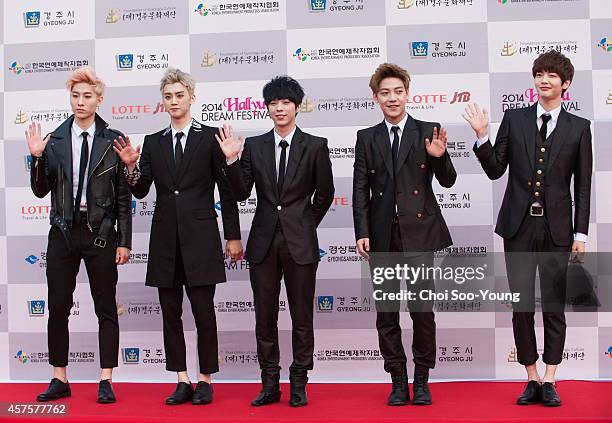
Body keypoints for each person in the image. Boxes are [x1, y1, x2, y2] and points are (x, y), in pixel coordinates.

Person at [463, 50, 592, 407]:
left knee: (553, 305)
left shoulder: (579, 127)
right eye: (539, 74)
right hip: (518, 227)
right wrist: (481, 137)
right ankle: (531, 377)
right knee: (521, 306)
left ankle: (551, 379)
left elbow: (582, 185)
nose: (544, 80)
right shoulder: (515, 119)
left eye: (552, 75)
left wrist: (580, 234)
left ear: (565, 84)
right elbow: (494, 169)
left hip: (557, 230)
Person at [113, 68, 242, 405]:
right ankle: (181, 379)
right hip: (165, 241)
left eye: (179, 95)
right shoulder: (154, 142)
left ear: (191, 97)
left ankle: (205, 379)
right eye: (168, 96)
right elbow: (141, 191)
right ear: (163, 102)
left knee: (204, 313)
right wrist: (130, 167)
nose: (173, 101)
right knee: (170, 314)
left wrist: (233, 236)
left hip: (201, 238)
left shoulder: (211, 137)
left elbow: (228, 193)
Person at [216, 76, 334, 407]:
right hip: (263, 243)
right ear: (267, 108)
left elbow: (325, 194)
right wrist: (231, 160)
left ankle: (299, 382)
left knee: (301, 317)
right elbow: (240, 192)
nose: (279, 108)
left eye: (285, 102)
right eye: (273, 103)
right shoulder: (254, 146)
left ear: (297, 106)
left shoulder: (315, 145)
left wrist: (305, 224)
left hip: (300, 243)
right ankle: (269, 383)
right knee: (264, 316)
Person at [352, 63, 456, 406]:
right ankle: (398, 380)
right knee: (386, 314)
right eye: (385, 93)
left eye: (398, 91)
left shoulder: (429, 130)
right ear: (375, 98)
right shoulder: (367, 137)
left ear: (408, 93)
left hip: (420, 235)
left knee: (422, 312)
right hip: (382, 237)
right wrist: (362, 231)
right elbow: (360, 189)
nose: (392, 98)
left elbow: (449, 180)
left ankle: (422, 380)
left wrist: (439, 159)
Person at [28, 67, 132, 404]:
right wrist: (37, 157)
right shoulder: (55, 140)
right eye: (75, 96)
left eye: (87, 96)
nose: (80, 102)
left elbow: (122, 199)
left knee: (105, 307)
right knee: (58, 306)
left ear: (99, 100)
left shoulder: (113, 139)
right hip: (62, 232)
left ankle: (106, 378)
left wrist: (125, 241)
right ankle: (60, 377)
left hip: (100, 232)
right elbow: (41, 190)